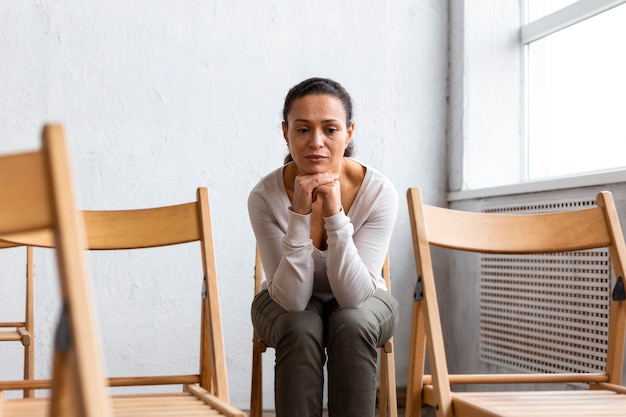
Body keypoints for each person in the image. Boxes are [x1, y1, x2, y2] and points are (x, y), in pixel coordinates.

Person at [248, 77, 399, 417]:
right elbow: (292, 301)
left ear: (349, 132)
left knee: (352, 322)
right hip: (282, 298)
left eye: (330, 129)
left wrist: (334, 213)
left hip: (365, 297)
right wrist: (299, 214)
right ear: (285, 133)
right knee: (300, 325)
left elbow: (356, 298)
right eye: (302, 130)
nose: (316, 142)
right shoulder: (263, 197)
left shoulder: (378, 193)